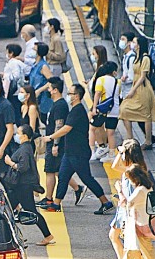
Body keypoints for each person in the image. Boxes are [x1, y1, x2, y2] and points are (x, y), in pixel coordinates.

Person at [42, 84, 116, 214]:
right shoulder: (74, 110)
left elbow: (66, 128)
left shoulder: (77, 111)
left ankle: (106, 202)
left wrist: (51, 137)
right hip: (70, 152)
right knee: (63, 177)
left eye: (70, 94)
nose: (68, 96)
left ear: (76, 96)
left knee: (87, 178)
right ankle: (56, 204)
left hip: (78, 153)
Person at [112, 164, 155, 259]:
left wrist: (119, 190)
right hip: (139, 223)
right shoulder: (147, 187)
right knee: (130, 249)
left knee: (147, 252)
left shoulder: (140, 190)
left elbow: (127, 203)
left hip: (140, 225)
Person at [3, 124, 54, 245]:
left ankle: (47, 235)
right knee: (8, 210)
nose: (17, 135)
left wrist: (10, 163)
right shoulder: (26, 147)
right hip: (19, 186)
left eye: (19, 133)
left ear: (25, 136)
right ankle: (14, 237)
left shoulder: (25, 149)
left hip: (22, 186)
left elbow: (23, 167)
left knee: (30, 211)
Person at [117, 33, 155, 147]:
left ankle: (148, 141)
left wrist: (132, 90)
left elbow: (142, 76)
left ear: (139, 45)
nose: (132, 44)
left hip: (143, 90)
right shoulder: (136, 57)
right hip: (136, 88)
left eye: (135, 42)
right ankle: (130, 138)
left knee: (146, 115)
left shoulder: (145, 58)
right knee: (124, 110)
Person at [90, 61, 120, 161]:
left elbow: (97, 94)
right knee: (111, 133)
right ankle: (111, 155)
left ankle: (93, 152)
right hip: (115, 109)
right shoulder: (117, 81)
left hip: (103, 109)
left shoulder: (101, 80)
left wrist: (94, 107)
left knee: (93, 128)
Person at [28, 43, 55, 116]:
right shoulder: (35, 64)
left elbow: (52, 81)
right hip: (34, 98)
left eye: (34, 49)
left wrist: (39, 91)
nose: (32, 50)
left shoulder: (43, 66)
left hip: (42, 99)